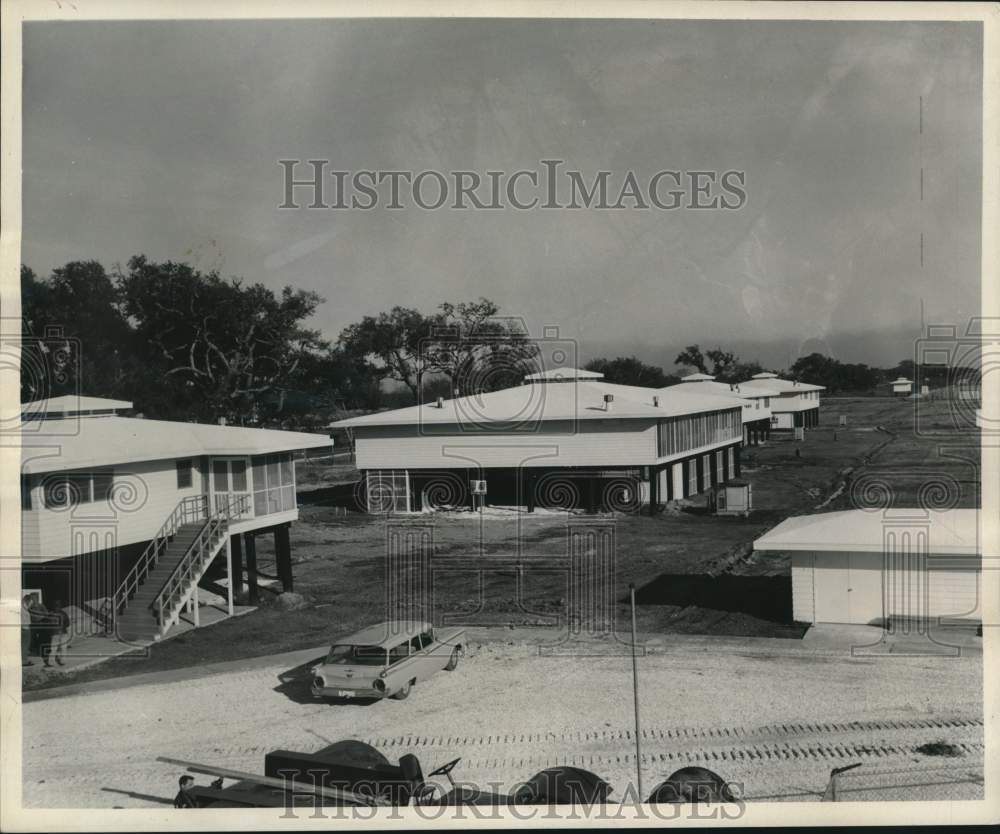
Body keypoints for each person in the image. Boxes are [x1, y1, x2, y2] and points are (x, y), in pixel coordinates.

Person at [46, 600, 71, 667]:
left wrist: (50, 632)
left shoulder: (50, 614)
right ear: (61, 606)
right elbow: (68, 623)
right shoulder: (64, 613)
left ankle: (51, 662)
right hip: (63, 632)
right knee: (63, 648)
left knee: (53, 648)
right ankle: (63, 661)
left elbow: (48, 625)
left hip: (55, 633)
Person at [21, 596, 34, 667]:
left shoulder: (23, 609)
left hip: (24, 629)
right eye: (30, 603)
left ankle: (24, 660)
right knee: (25, 646)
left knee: (24, 646)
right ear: (26, 601)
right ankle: (24, 661)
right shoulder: (22, 610)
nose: (30, 605)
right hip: (25, 629)